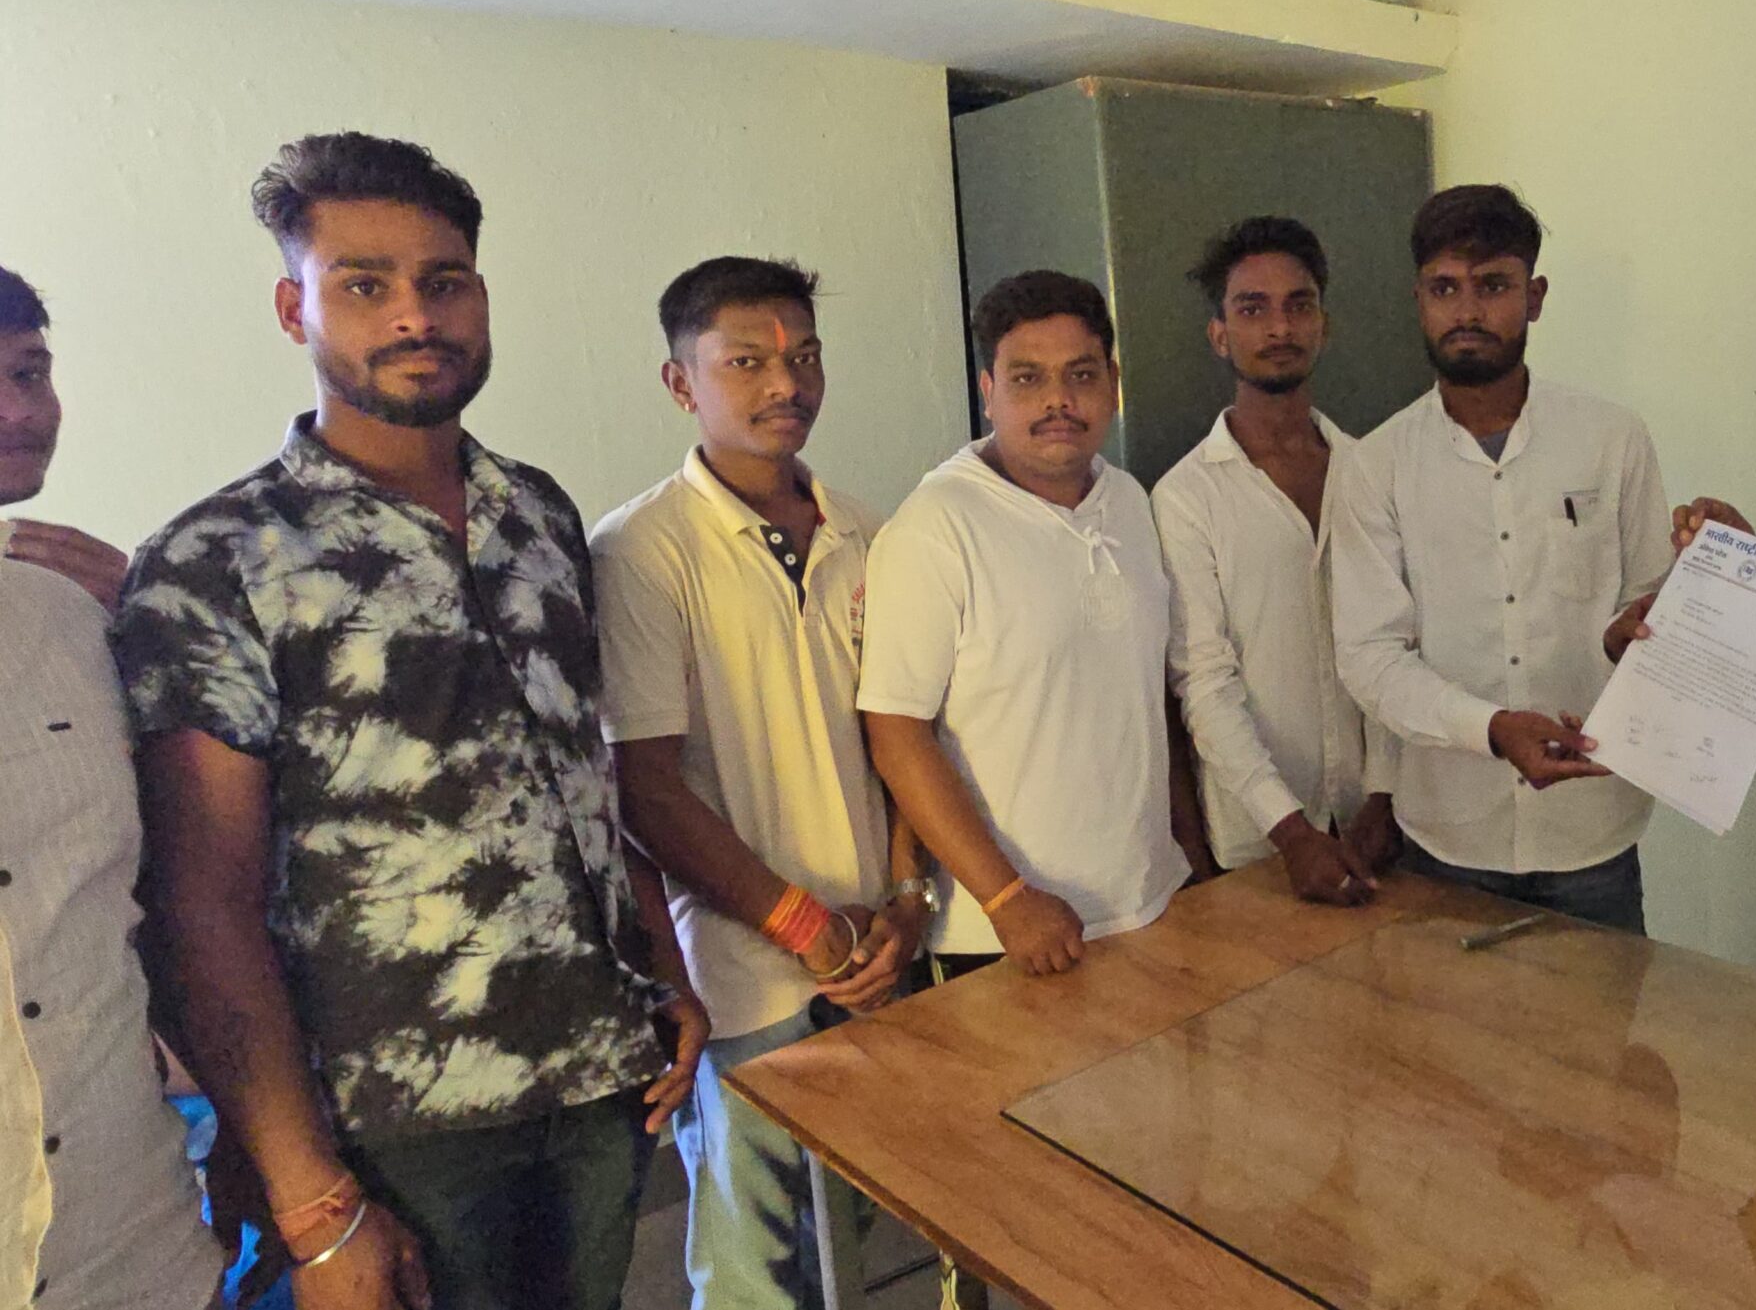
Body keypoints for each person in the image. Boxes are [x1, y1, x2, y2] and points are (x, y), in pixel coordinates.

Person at [114, 132, 707, 1310]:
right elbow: (201, 902)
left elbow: (576, 776)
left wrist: (661, 967)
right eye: (363, 284)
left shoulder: (536, 513)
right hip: (394, 1131)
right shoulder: (216, 560)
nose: (413, 316)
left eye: (444, 281)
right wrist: (310, 1200)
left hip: (600, 1079)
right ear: (295, 307)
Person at [858, 270, 1205, 1310]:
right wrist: (1007, 897)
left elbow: (1149, 699)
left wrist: (1187, 860)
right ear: (987, 389)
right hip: (1002, 943)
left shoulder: (1129, 501)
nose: (1059, 399)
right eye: (1028, 378)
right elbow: (895, 732)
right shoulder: (937, 527)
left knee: (1137, 1189)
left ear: (1113, 383)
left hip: (1141, 912)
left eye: (1081, 374)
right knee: (1004, 1216)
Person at [592, 255, 928, 1310]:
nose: (787, 382)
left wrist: (906, 901)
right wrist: (804, 927)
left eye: (805, 356)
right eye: (746, 361)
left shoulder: (866, 530)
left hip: (875, 959)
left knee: (852, 1247)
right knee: (754, 1273)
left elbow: (903, 739)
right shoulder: (642, 551)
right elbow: (644, 790)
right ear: (680, 383)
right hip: (749, 984)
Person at [1330, 185, 1673, 935]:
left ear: (1534, 296)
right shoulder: (1376, 465)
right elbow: (1369, 655)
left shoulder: (1612, 438)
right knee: (1452, 1018)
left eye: (1492, 286)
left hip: (1593, 830)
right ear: (1418, 300)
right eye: (1445, 288)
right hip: (1448, 833)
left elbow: (1647, 598)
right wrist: (1489, 729)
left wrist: (1638, 629)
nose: (1467, 311)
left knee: (1602, 1014)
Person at [0, 264, 224, 1310]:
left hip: (137, 1241)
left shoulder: (76, 613)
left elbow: (169, 878)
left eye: (29, 372)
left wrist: (155, 620)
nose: (19, 410)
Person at [1154, 217, 1399, 904]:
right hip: (1258, 843)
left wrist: (1385, 792)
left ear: (1324, 325)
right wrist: (1290, 831)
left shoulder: (1372, 472)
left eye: (1299, 305)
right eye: (1252, 308)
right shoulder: (1185, 497)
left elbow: (1398, 645)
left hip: (1378, 830)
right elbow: (1204, 682)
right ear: (1219, 334)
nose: (1279, 327)